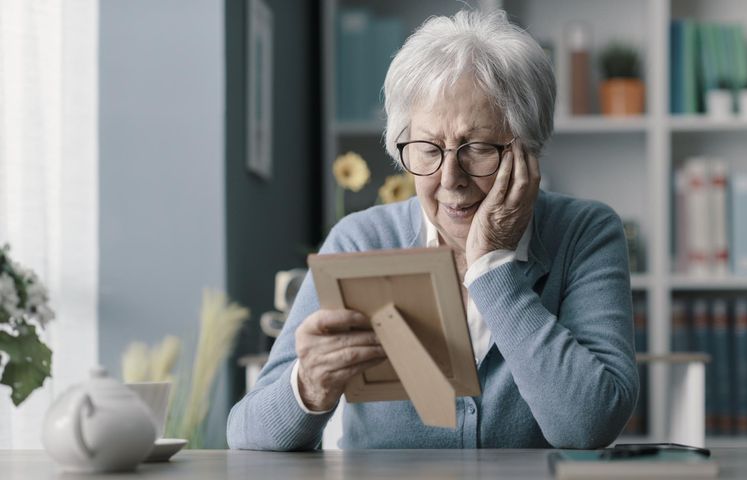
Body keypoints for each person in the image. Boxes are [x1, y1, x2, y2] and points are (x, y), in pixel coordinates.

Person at [227, 9, 638, 450]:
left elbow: (589, 426)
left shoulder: (584, 234)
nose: (450, 180)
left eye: (477, 148)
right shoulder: (362, 241)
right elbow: (246, 434)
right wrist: (307, 387)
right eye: (427, 149)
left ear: (528, 150)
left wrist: (493, 266)